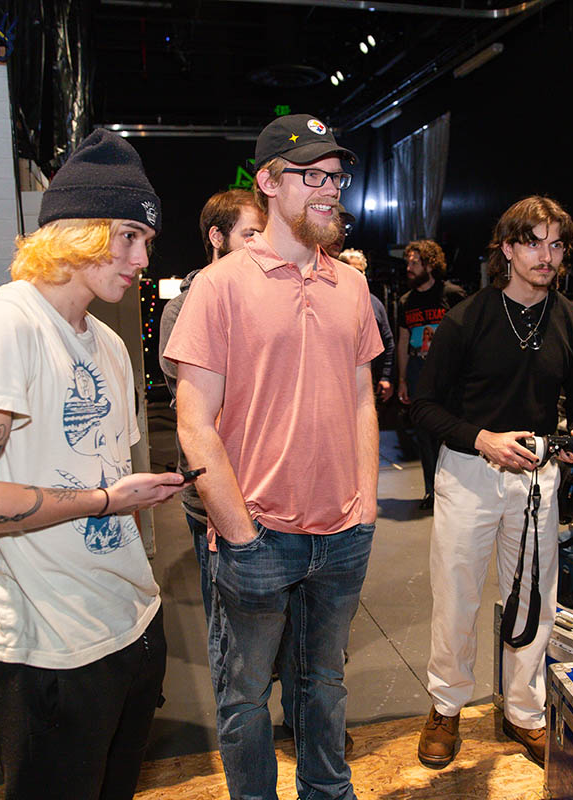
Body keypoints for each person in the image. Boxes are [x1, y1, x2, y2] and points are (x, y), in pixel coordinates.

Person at [0, 129, 189, 800]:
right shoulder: (1, 328)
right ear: (73, 232)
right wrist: (106, 502)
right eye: (127, 236)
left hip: (130, 622)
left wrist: (127, 496)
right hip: (49, 653)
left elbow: (96, 470)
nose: (140, 258)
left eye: (147, 241)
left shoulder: (105, 341)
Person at [165, 114, 382, 800]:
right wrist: (237, 532)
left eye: (335, 177)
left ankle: (329, 792)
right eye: (309, 176)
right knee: (245, 698)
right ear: (267, 182)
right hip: (256, 533)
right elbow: (194, 420)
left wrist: (367, 505)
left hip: (342, 534)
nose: (329, 190)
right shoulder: (221, 285)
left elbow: (361, 403)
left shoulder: (350, 287)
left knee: (325, 686)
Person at [410, 196, 573, 770]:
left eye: (557, 244)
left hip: (539, 478)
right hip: (471, 473)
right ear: (509, 250)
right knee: (458, 594)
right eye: (534, 243)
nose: (547, 256)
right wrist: (483, 439)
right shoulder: (468, 318)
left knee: (536, 602)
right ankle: (446, 707)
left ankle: (525, 713)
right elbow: (424, 407)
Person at [158, 188, 265, 616]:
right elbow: (198, 408)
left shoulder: (267, 302)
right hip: (213, 492)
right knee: (227, 613)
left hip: (270, 486)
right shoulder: (183, 309)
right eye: (250, 234)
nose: (260, 245)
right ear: (217, 237)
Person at [396, 239, 466, 510]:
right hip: (417, 369)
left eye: (415, 263)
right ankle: (432, 491)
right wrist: (402, 379)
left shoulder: (453, 294)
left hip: (448, 371)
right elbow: (403, 341)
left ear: (430, 264)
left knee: (451, 432)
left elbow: (467, 336)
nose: (409, 268)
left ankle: (456, 491)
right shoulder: (405, 301)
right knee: (424, 434)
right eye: (408, 263)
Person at [340, 247, 395, 402]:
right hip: (338, 381)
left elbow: (388, 343)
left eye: (361, 271)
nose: (358, 275)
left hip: (367, 380)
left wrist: (386, 377)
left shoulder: (375, 303)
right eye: (352, 270)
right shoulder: (328, 300)